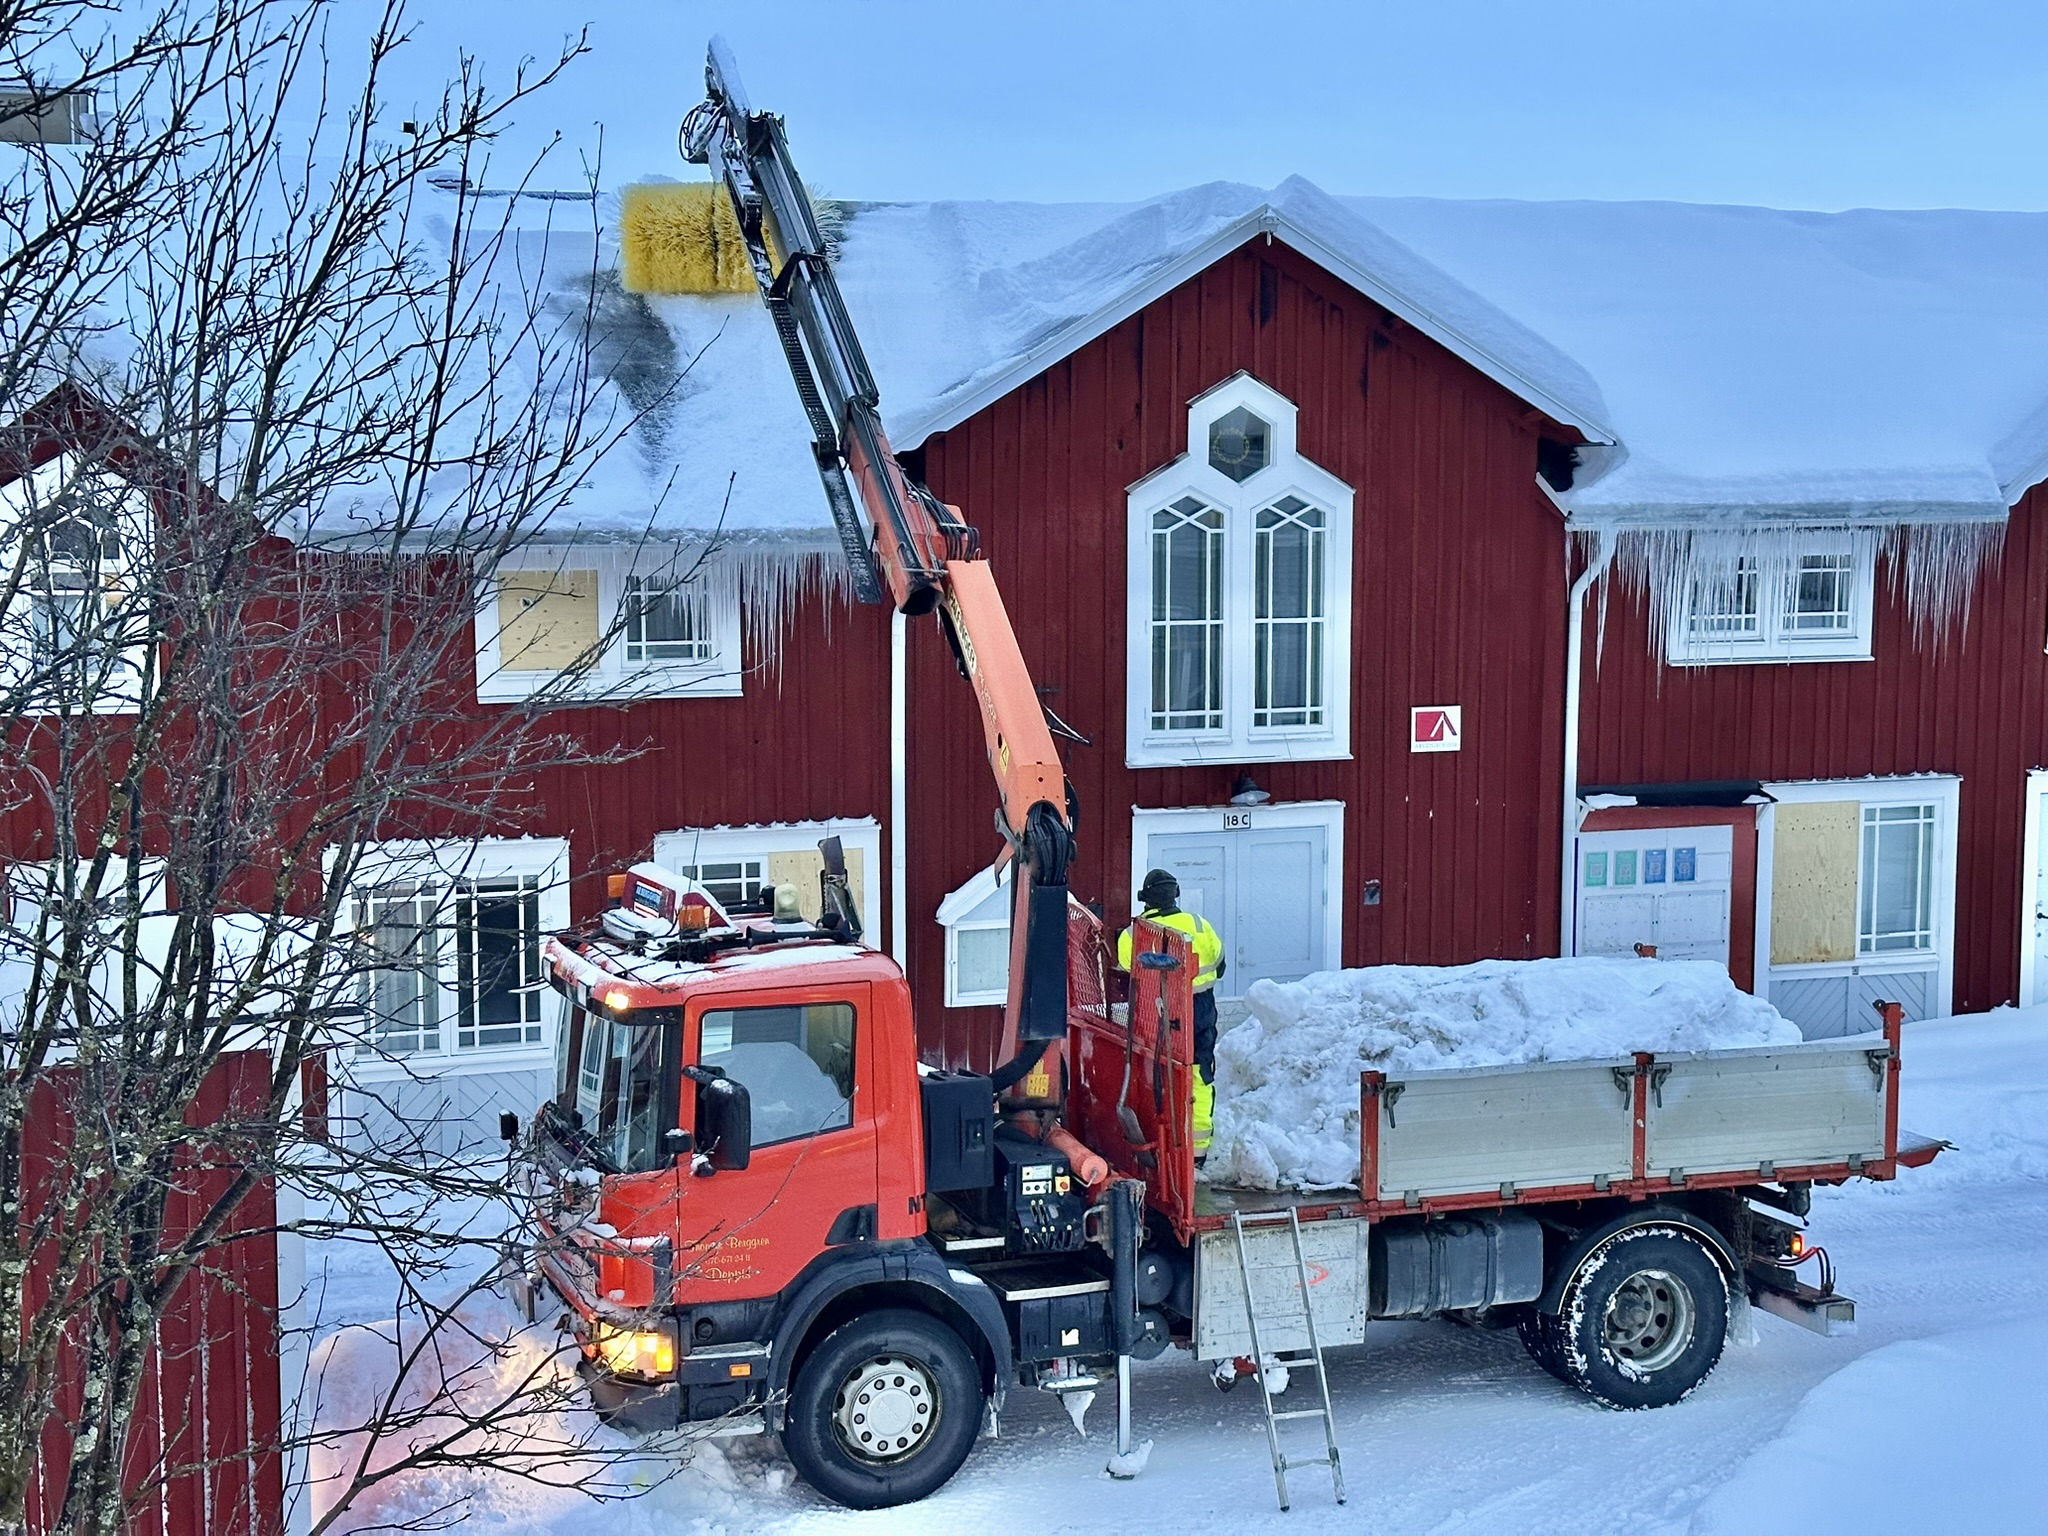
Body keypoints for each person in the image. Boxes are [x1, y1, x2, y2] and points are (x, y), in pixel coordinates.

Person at [1115, 868, 1225, 1157]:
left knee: (1159, 1075)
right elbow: (1220, 966)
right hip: (1199, 1010)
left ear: (1145, 898)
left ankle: (1165, 1143)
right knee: (1199, 1073)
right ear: (1176, 894)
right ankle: (1197, 1151)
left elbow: (1126, 968)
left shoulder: (1133, 934)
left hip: (1155, 1013)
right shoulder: (1200, 926)